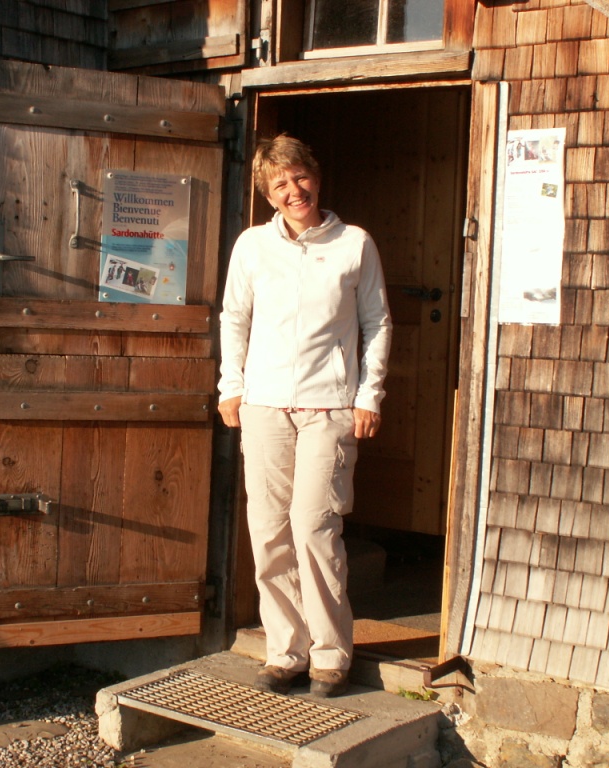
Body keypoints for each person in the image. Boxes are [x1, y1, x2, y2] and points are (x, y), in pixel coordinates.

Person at [217, 135, 392, 697]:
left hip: (329, 407)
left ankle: (330, 655)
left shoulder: (354, 244)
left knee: (314, 527)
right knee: (269, 531)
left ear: (315, 177)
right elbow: (234, 318)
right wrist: (231, 386)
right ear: (268, 195)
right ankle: (285, 652)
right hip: (265, 406)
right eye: (280, 184)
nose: (294, 190)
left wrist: (368, 396)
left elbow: (377, 322)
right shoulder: (252, 246)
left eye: (300, 177)